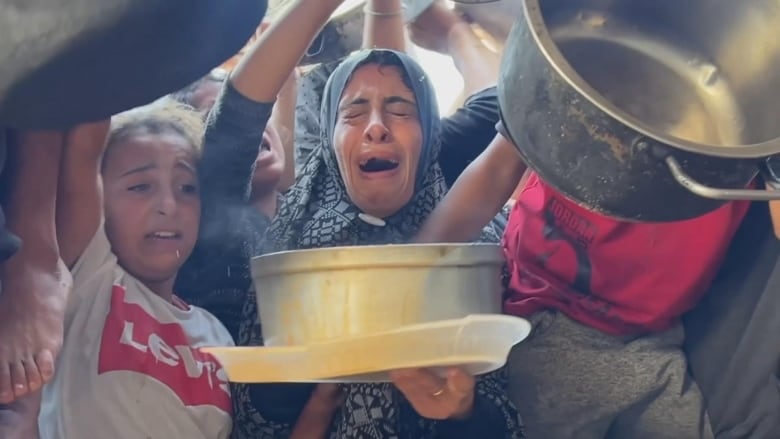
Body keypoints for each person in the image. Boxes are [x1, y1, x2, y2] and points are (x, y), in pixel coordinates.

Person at [177, 0, 522, 437]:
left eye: (400, 110)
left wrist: (461, 411)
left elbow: (505, 415)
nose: (376, 126)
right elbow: (234, 124)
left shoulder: (478, 254)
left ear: (432, 138)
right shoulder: (284, 254)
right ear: (327, 144)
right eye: (353, 114)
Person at [414, 117, 749, 438]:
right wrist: (411, 270)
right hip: (545, 312)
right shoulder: (573, 66)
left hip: (654, 338)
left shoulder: (759, 106)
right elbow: (496, 168)